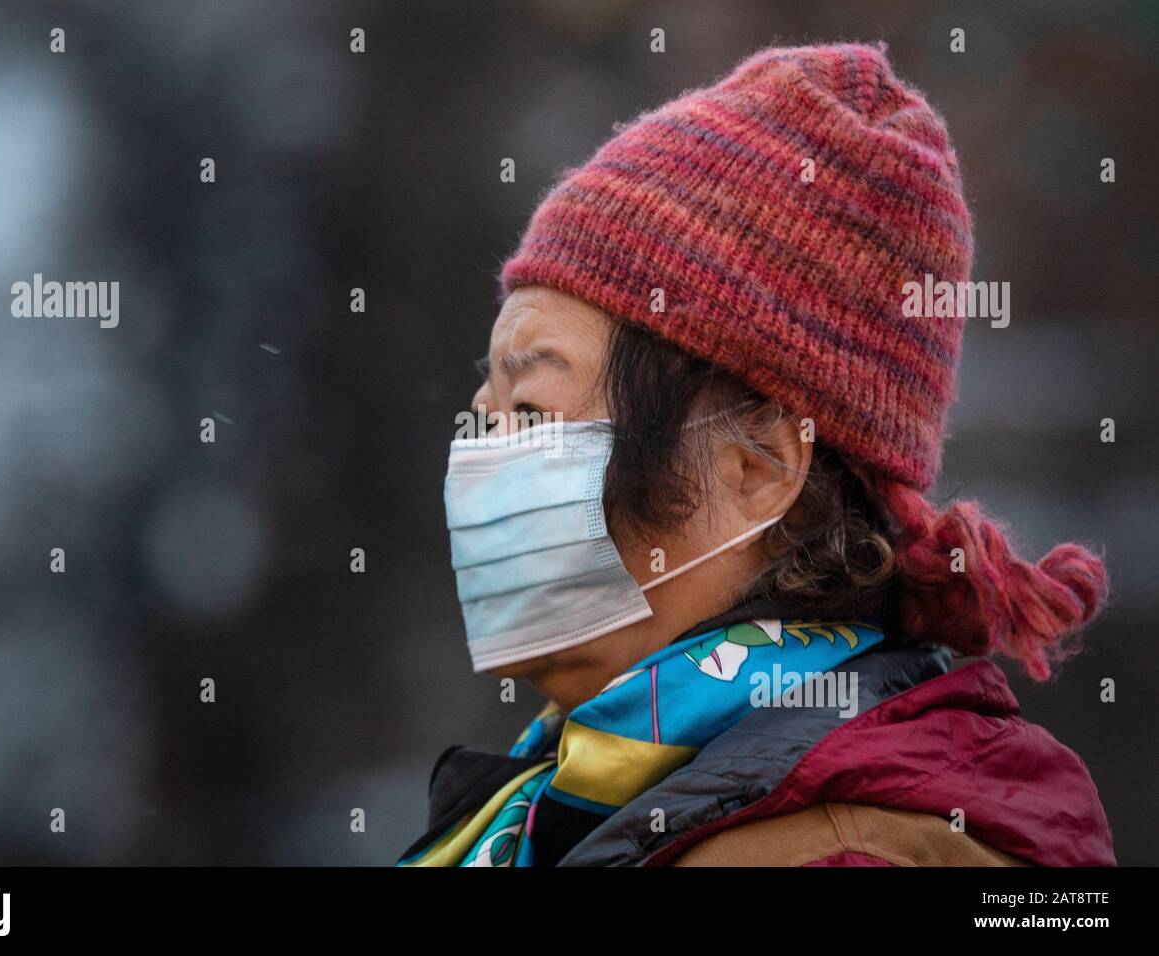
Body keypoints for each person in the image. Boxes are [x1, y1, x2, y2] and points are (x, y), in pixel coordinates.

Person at [398, 42, 1113, 867]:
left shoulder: (850, 854)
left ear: (758, 467)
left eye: (531, 409)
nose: (482, 465)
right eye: (485, 414)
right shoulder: (566, 798)